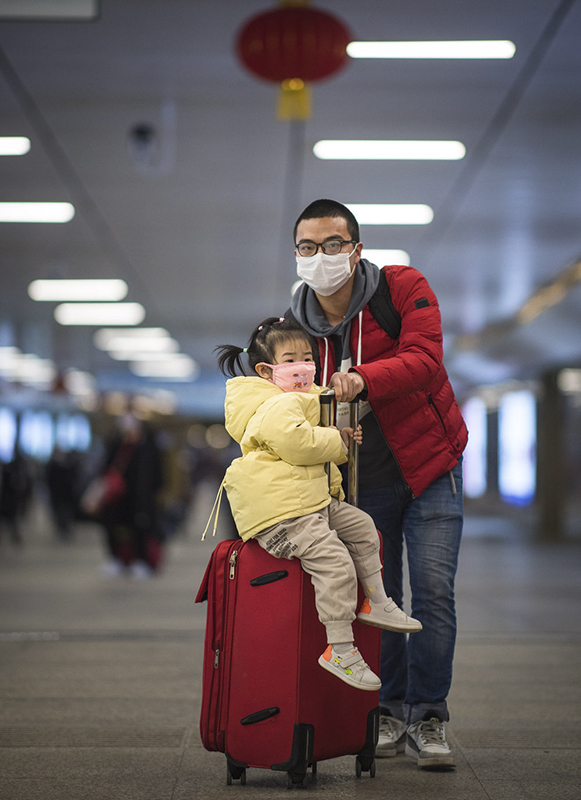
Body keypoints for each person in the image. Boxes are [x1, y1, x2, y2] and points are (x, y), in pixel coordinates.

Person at [287, 199, 468, 769]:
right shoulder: (298, 325)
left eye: (333, 245)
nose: (321, 257)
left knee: (434, 592)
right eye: (308, 248)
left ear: (356, 249)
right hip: (363, 481)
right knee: (379, 597)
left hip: (430, 466)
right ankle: (388, 710)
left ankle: (430, 714)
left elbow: (425, 358)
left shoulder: (401, 287)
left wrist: (360, 378)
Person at [214, 316, 422, 692]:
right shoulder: (276, 404)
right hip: (281, 515)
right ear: (267, 370)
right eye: (291, 358)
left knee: (362, 528)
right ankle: (340, 648)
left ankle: (376, 599)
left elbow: (311, 441)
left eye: (308, 356)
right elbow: (298, 444)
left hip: (306, 501)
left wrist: (338, 435)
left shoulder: (304, 401)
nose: (305, 364)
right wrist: (337, 441)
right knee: (336, 563)